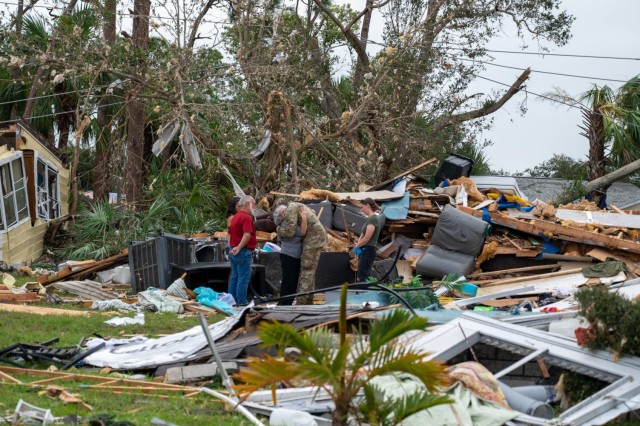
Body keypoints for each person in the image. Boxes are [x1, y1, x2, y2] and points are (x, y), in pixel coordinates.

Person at [276, 202, 327, 305]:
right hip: (309, 242)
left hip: (310, 241)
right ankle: (305, 302)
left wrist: (278, 229)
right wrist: (304, 218)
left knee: (306, 272)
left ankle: (302, 302)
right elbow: (302, 230)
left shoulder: (291, 214)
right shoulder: (291, 214)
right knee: (308, 272)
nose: (284, 215)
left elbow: (296, 232)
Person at [273, 203, 307, 305]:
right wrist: (304, 218)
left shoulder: (289, 222)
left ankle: (287, 302)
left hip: (293, 255)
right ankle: (284, 303)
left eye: (286, 210)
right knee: (289, 281)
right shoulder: (285, 224)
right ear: (281, 216)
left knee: (292, 281)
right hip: (289, 255)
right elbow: (302, 232)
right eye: (284, 211)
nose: (287, 212)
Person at [227, 195, 256, 305]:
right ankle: (241, 302)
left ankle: (231, 300)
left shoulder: (235, 217)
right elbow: (247, 235)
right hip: (242, 251)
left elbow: (229, 233)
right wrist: (238, 248)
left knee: (235, 277)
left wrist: (232, 247)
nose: (254, 207)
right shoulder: (246, 217)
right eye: (253, 204)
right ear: (248, 204)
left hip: (233, 250)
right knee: (243, 279)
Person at [354, 198, 381, 282]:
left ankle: (364, 293)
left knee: (363, 276)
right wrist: (358, 244)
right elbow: (363, 234)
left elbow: (367, 238)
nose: (361, 209)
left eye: (362, 207)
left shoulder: (373, 219)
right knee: (362, 274)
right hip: (364, 249)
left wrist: (356, 246)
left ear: (368, 206)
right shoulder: (369, 219)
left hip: (368, 250)